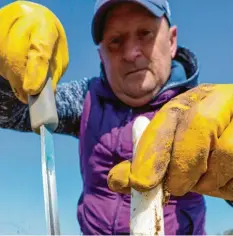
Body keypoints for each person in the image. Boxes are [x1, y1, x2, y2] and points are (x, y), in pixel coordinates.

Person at [0, 0, 233, 235]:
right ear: (101, 55)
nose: (131, 53)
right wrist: (5, 70)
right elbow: (11, 112)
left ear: (171, 41)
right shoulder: (85, 100)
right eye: (115, 41)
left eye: (145, 34)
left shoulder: (204, 112)